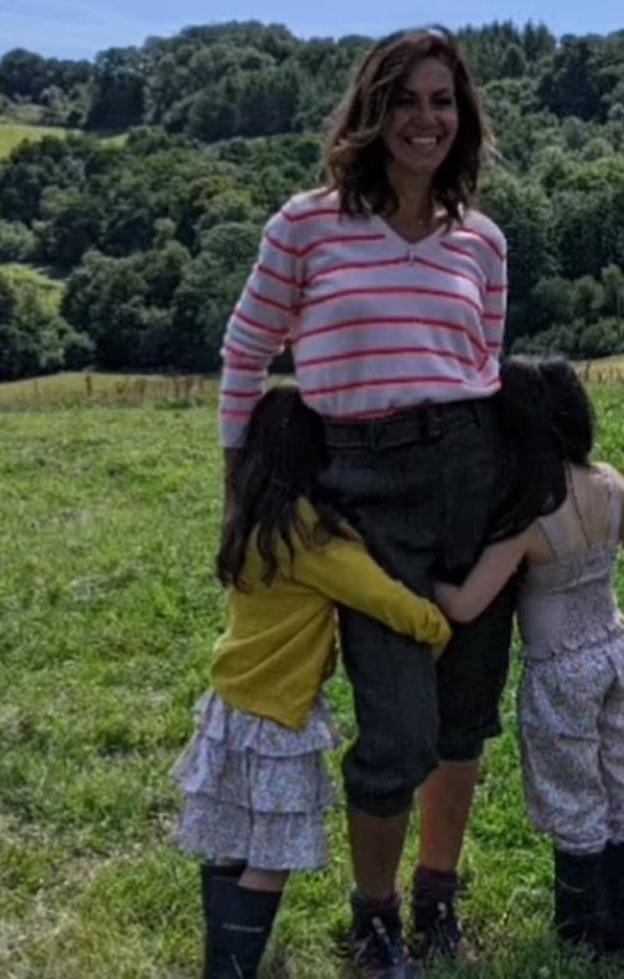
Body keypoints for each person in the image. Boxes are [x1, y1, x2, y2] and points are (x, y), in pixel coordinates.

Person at [217, 26, 511, 977]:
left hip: (472, 483)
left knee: (465, 718)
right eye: (407, 100)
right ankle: (373, 915)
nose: (426, 120)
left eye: (443, 101)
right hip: (363, 494)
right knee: (397, 729)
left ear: (461, 118)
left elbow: (486, 366)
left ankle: (437, 899)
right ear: (372, 111)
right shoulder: (305, 224)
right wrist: (242, 489)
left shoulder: (485, 240)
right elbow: (245, 356)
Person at [174, 386, 452, 978]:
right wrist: (434, 626)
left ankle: (222, 961)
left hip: (228, 706)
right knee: (272, 855)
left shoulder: (248, 518)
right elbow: (380, 596)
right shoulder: (310, 536)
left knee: (235, 841)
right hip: (276, 715)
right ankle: (233, 971)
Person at [434, 356, 624, 956]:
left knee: (575, 797)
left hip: (560, 673)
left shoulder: (525, 518)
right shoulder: (611, 484)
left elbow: (469, 605)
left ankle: (579, 931)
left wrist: (422, 585)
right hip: (620, 656)